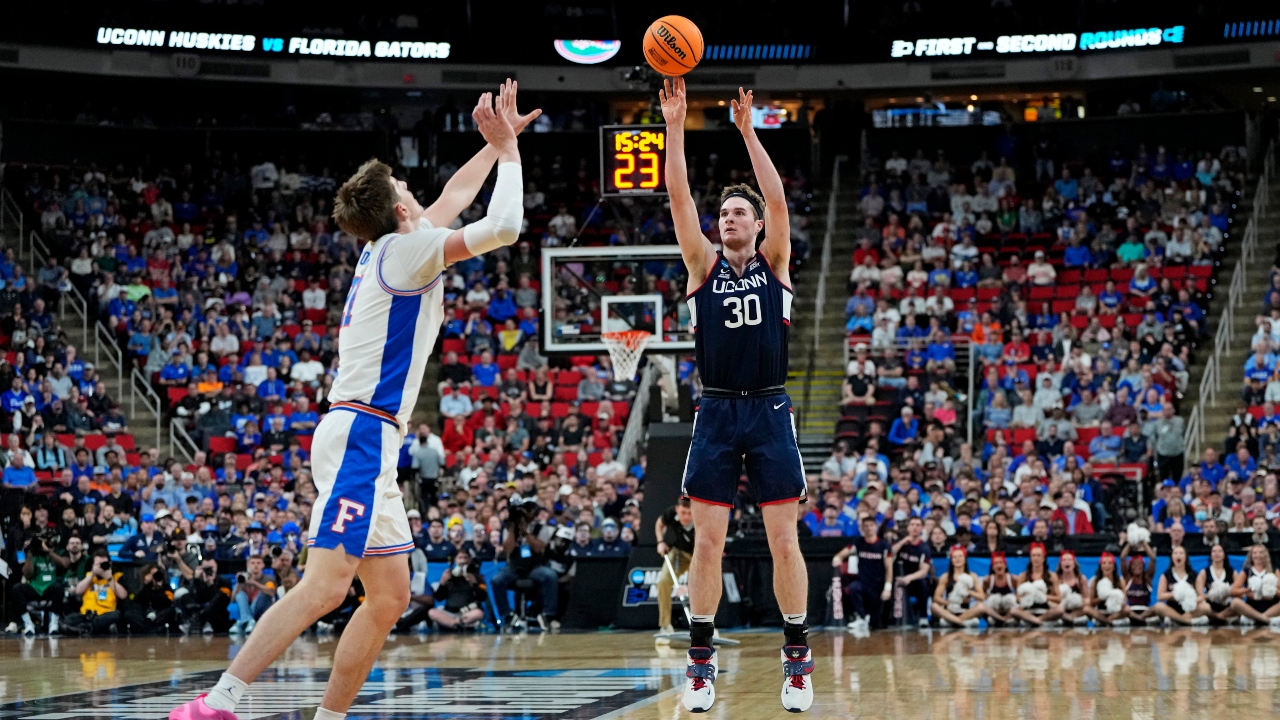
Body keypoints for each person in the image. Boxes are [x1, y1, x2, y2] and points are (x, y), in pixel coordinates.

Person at [169, 81, 539, 720]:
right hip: (364, 434)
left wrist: (493, 145)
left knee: (390, 593)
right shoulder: (405, 250)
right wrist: (507, 155)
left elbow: (451, 197)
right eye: (405, 190)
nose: (416, 195)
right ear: (399, 210)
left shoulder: (390, 245)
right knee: (325, 587)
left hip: (367, 434)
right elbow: (504, 225)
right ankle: (219, 702)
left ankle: (330, 717)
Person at [661, 78, 811, 712]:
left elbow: (777, 200)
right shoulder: (702, 267)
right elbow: (676, 199)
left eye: (737, 212)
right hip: (717, 408)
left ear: (754, 225)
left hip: (771, 407)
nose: (729, 218)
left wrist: (749, 132)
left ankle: (797, 662)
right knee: (709, 542)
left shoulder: (775, 262)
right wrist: (674, 126)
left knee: (783, 540)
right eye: (723, 212)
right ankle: (701, 664)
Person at [830, 515, 893, 631]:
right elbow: (841, 554)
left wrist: (888, 587)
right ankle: (862, 618)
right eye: (866, 526)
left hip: (878, 585)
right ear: (862, 528)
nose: (869, 528)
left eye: (871, 525)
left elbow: (889, 568)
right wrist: (837, 559)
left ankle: (871, 619)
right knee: (853, 588)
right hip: (863, 582)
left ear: (876, 527)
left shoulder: (884, 546)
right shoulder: (858, 543)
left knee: (877, 625)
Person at [654, 499, 697, 636]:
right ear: (677, 509)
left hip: (700, 555)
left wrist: (690, 587)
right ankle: (665, 626)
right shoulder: (671, 513)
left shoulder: (701, 519)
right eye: (683, 512)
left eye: (689, 513)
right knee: (663, 582)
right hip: (680, 552)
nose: (686, 517)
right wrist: (660, 541)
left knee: (702, 588)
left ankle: (706, 627)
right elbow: (659, 524)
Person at [427, 548, 487, 630]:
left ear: (469, 560)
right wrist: (442, 583)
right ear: (455, 560)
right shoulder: (448, 575)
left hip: (467, 613)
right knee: (432, 612)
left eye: (465, 558)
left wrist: (475, 584)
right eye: (460, 557)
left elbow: (483, 597)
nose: (462, 560)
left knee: (479, 613)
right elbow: (439, 597)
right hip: (449, 612)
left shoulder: (476, 576)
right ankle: (456, 624)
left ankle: (455, 623)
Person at [71, 550, 128, 635]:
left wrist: (109, 578)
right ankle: (91, 628)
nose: (101, 567)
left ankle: (86, 628)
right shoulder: (88, 576)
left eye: (104, 564)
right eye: (98, 564)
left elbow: (123, 595)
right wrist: (92, 574)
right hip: (87, 614)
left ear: (110, 564)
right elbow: (78, 591)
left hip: (105, 614)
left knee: (117, 615)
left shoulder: (116, 576)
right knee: (68, 619)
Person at [1153, 545, 1209, 625]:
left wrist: (1190, 599)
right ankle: (1188, 621)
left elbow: (1201, 596)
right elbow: (1160, 596)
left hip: (1190, 609)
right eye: (1175, 553)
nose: (1178, 555)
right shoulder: (1166, 575)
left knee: (1206, 607)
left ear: (1186, 557)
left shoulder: (1194, 575)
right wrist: (1176, 594)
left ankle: (1176, 620)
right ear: (1172, 557)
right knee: (1158, 606)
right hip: (1172, 609)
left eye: (1181, 553)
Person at [931, 546, 985, 628]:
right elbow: (936, 597)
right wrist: (948, 602)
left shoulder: (972, 576)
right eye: (954, 557)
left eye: (960, 556)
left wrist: (968, 591)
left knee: (981, 607)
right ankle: (961, 622)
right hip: (950, 610)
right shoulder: (945, 576)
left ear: (965, 559)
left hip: (965, 610)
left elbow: (982, 596)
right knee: (934, 606)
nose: (957, 559)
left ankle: (952, 621)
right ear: (951, 560)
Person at [1230, 544, 1280, 626]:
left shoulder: (1273, 570)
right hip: (1252, 607)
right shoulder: (1247, 570)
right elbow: (1233, 591)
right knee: (1235, 602)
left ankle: (1259, 618)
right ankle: (1264, 619)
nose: (1258, 555)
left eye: (1261, 552)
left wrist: (1272, 591)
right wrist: (1247, 591)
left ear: (1265, 555)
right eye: (1255, 553)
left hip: (1271, 607)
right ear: (1251, 556)